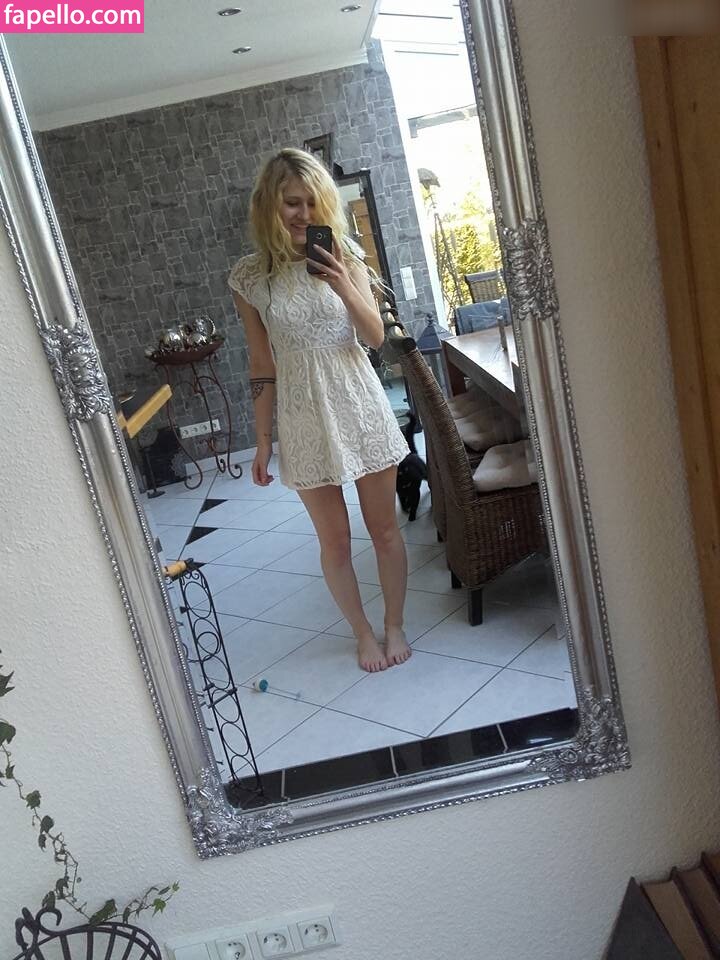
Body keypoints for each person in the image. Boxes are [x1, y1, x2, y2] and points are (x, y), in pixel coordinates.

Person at [228, 148, 411, 673]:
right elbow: (261, 362)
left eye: (312, 202)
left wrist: (342, 283)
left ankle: (394, 623)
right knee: (335, 541)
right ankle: (362, 633)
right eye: (292, 202)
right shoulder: (250, 277)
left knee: (384, 530)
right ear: (269, 204)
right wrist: (263, 440)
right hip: (303, 415)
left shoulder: (344, 254)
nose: (303, 213)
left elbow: (375, 337)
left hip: (358, 402)